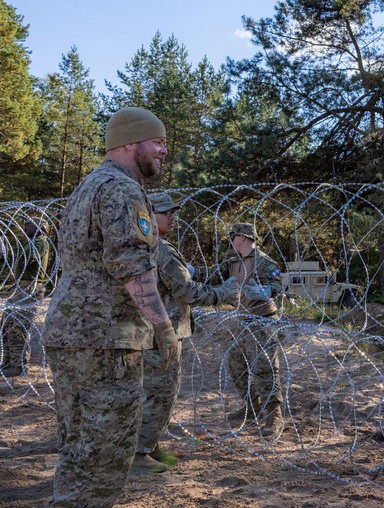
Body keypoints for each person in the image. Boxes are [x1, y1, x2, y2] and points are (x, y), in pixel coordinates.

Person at [43, 107, 181, 507]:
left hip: (76, 335)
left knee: (80, 447)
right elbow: (132, 266)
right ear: (129, 143)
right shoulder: (120, 189)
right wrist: (163, 326)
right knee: (103, 456)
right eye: (157, 142)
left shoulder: (89, 185)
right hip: (105, 339)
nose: (163, 151)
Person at [131, 193, 240, 474]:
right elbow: (187, 291)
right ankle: (139, 455)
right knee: (160, 393)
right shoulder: (161, 251)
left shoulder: (141, 247)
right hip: (162, 334)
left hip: (147, 331)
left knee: (152, 392)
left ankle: (148, 445)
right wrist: (222, 293)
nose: (173, 216)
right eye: (165, 212)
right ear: (147, 216)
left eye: (174, 211)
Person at [192, 222, 284, 436]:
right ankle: (252, 407)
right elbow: (213, 275)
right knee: (236, 365)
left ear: (243, 237)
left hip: (263, 321)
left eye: (232, 237)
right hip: (242, 321)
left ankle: (274, 416)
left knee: (264, 368)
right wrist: (190, 271)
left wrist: (267, 290)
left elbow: (278, 282)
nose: (231, 241)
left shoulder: (263, 262)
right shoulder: (233, 262)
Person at [1, 217, 50, 377]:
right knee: (7, 325)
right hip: (21, 287)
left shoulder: (41, 243)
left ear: (39, 227)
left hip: (30, 288)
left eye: (28, 224)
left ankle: (18, 365)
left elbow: (23, 258)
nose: (25, 227)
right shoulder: (31, 243)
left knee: (18, 326)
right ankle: (8, 363)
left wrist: (7, 250)